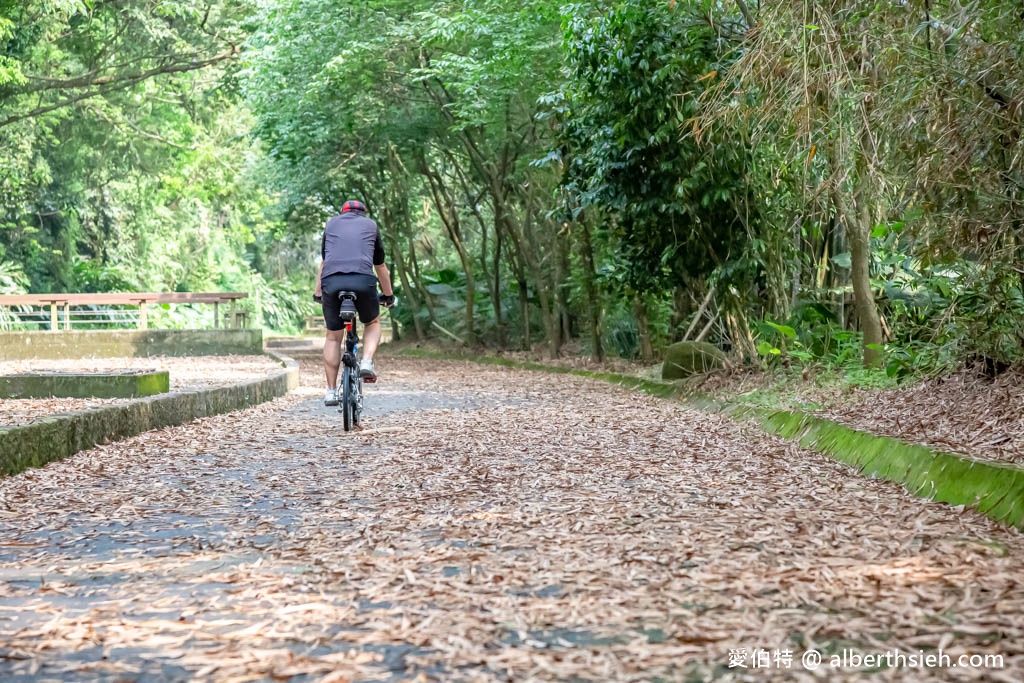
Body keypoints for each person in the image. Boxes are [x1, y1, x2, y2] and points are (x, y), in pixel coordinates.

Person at [314, 200, 395, 406]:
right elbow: (380, 266)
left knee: (333, 337)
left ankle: (331, 392)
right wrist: (388, 295)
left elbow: (324, 263)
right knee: (373, 322)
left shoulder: (331, 224)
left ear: (343, 213)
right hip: (362, 280)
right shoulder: (371, 226)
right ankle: (367, 361)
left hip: (332, 282)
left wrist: (318, 292)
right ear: (363, 214)